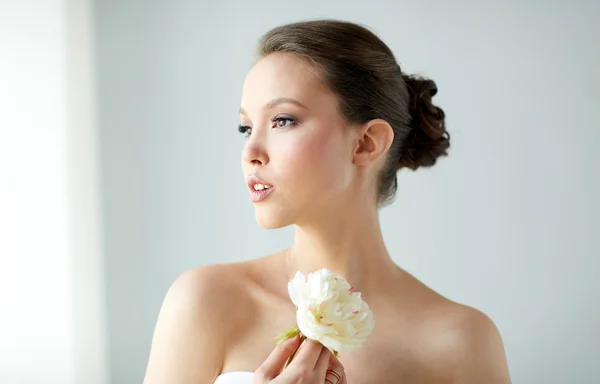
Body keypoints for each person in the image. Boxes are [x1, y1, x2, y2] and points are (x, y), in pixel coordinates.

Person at [143, 19, 511, 384]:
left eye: (283, 120)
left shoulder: (462, 341)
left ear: (366, 143)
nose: (250, 152)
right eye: (246, 128)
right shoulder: (206, 301)